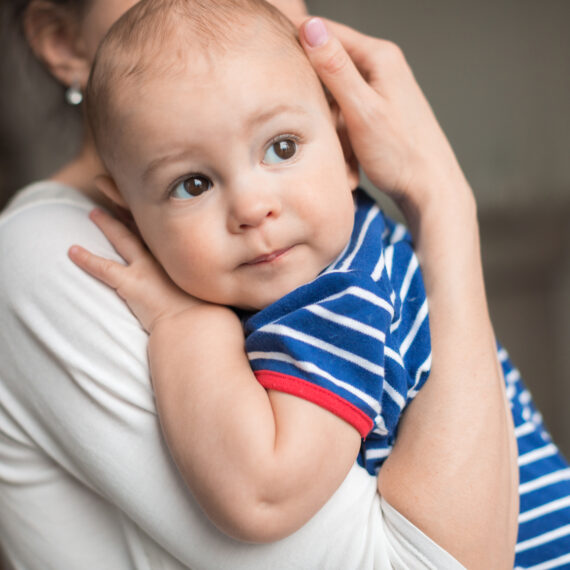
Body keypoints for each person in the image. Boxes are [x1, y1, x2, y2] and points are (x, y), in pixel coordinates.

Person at [0, 0, 531, 568]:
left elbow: (263, 491)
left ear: (345, 148)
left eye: (282, 147)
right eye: (193, 182)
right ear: (60, 40)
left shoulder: (334, 288)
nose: (253, 208)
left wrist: (182, 322)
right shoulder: (45, 253)